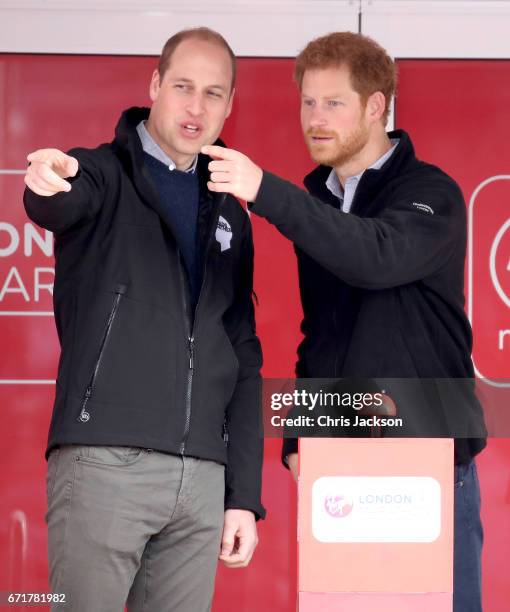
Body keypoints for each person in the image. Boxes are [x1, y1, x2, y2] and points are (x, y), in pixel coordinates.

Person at [203, 31, 485, 612]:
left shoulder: (431, 193)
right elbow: (323, 333)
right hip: (346, 466)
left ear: (375, 106)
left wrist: (266, 192)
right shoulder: (321, 200)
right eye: (308, 102)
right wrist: (299, 432)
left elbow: (374, 256)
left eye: (333, 102)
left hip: (428, 459)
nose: (315, 118)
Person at [23, 27, 265, 612]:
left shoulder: (231, 207)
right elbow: (56, 195)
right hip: (106, 463)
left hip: (202, 480)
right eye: (183, 86)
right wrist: (48, 179)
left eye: (214, 93)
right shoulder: (103, 174)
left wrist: (244, 497)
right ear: (155, 85)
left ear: (229, 105)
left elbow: (243, 353)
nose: (196, 106)